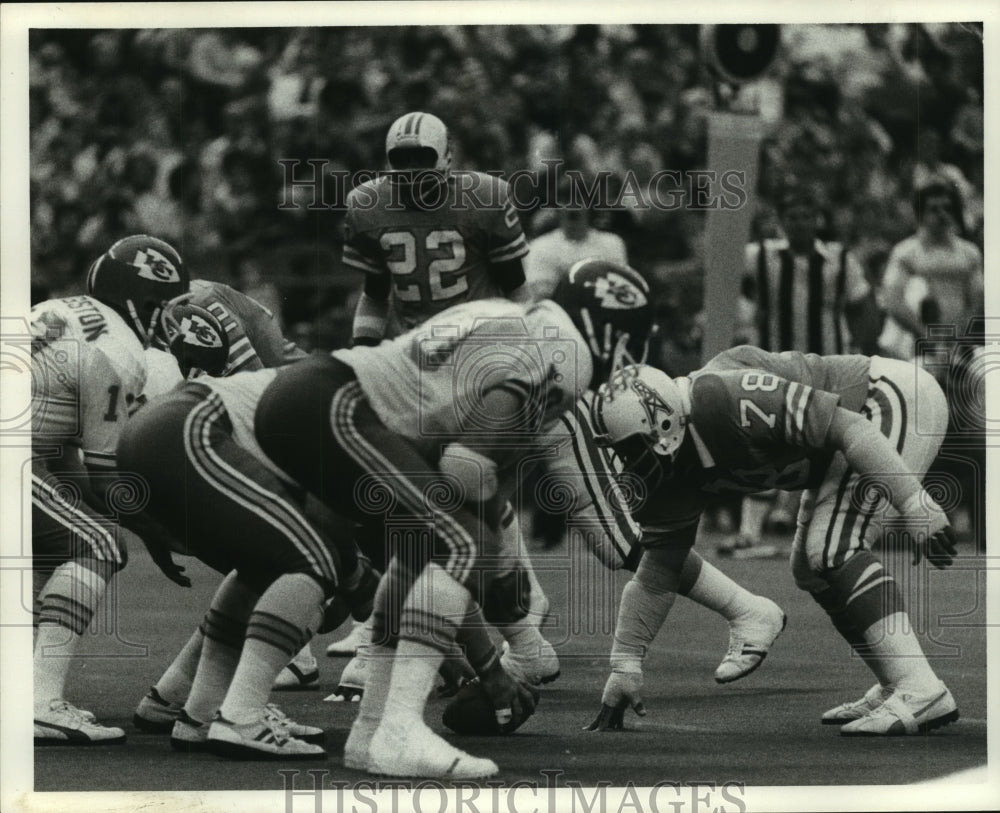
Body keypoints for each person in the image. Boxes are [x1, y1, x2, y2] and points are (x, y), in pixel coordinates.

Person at [586, 345, 959, 736]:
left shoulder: (720, 400)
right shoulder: (670, 458)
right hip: (853, 432)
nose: (625, 463)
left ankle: (920, 687)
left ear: (663, 423)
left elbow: (849, 428)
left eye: (629, 449)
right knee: (810, 569)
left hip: (886, 399)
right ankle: (895, 680)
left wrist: (915, 504)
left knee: (832, 548)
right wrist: (625, 665)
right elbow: (660, 568)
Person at [329, 109, 546, 684]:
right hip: (413, 366)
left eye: (422, 161)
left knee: (462, 491)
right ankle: (478, 633)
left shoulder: (483, 198)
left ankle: (502, 627)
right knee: (425, 501)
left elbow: (518, 289)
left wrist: (530, 353)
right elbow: (375, 295)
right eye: (401, 163)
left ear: (447, 158)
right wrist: (362, 353)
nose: (411, 173)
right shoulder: (369, 206)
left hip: (478, 359)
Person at [117, 297, 377, 760]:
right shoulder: (342, 415)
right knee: (309, 564)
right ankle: (241, 717)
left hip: (155, 440)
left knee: (266, 567)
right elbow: (328, 524)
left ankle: (196, 711)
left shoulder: (315, 391)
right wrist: (362, 593)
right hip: (180, 435)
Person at [31, 235, 191, 745]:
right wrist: (157, 534)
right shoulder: (119, 349)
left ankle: (25, 687)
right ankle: (38, 701)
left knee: (53, 547)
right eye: (161, 304)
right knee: (97, 545)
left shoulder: (59, 307)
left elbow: (62, 460)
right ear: (141, 298)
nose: (166, 318)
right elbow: (107, 479)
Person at [730, 185, 881, 558]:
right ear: (781, 221)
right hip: (775, 365)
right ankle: (751, 531)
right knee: (763, 440)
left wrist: (864, 350)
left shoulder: (840, 261)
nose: (800, 222)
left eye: (806, 215)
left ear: (817, 219)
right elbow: (720, 266)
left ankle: (813, 525)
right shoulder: (760, 256)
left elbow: (864, 305)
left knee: (826, 445)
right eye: (792, 216)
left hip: (829, 366)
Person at [522, 176, 629, 302]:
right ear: (556, 208)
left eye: (579, 199)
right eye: (565, 200)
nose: (572, 207)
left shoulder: (613, 243)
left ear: (591, 206)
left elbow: (621, 292)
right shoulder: (540, 247)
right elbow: (542, 299)